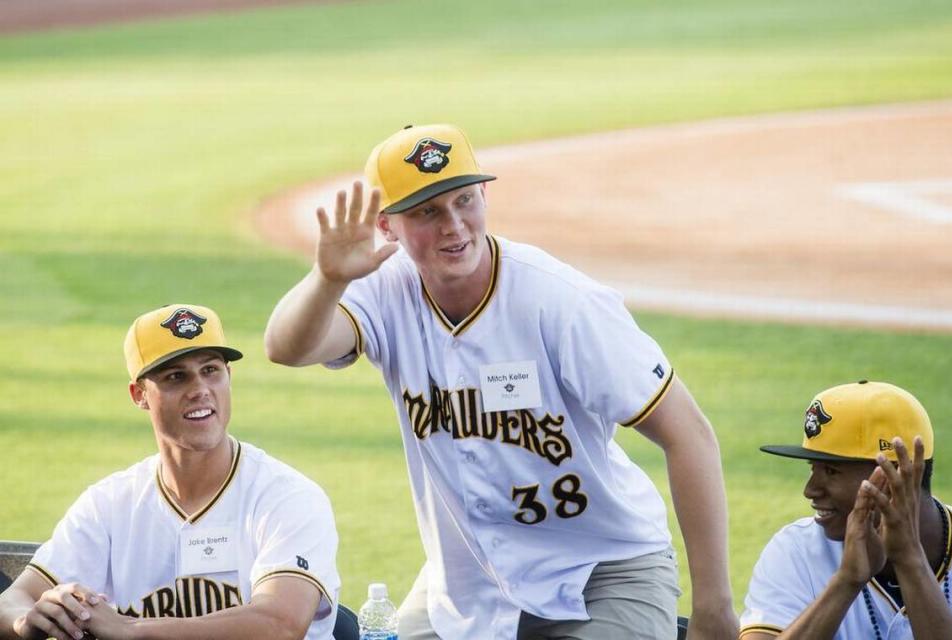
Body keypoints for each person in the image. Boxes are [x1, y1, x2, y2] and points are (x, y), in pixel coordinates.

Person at [265, 124, 738, 639]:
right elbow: (287, 348)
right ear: (387, 226)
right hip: (469, 584)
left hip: (602, 570)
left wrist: (715, 608)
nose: (453, 225)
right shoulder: (384, 291)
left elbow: (688, 432)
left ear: (484, 194)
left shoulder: (561, 302)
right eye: (427, 211)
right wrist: (328, 279)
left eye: (464, 200)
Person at [0, 304, 340, 640]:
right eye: (176, 377)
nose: (200, 390)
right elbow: (11, 602)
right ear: (139, 395)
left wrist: (131, 630)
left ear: (229, 376)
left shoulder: (287, 497)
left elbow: (280, 624)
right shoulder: (110, 504)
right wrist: (30, 620)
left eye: (211, 370)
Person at [740, 380, 952, 639]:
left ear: (895, 476)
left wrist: (910, 561)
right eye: (813, 469)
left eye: (831, 471)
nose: (810, 490)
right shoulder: (795, 550)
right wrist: (845, 582)